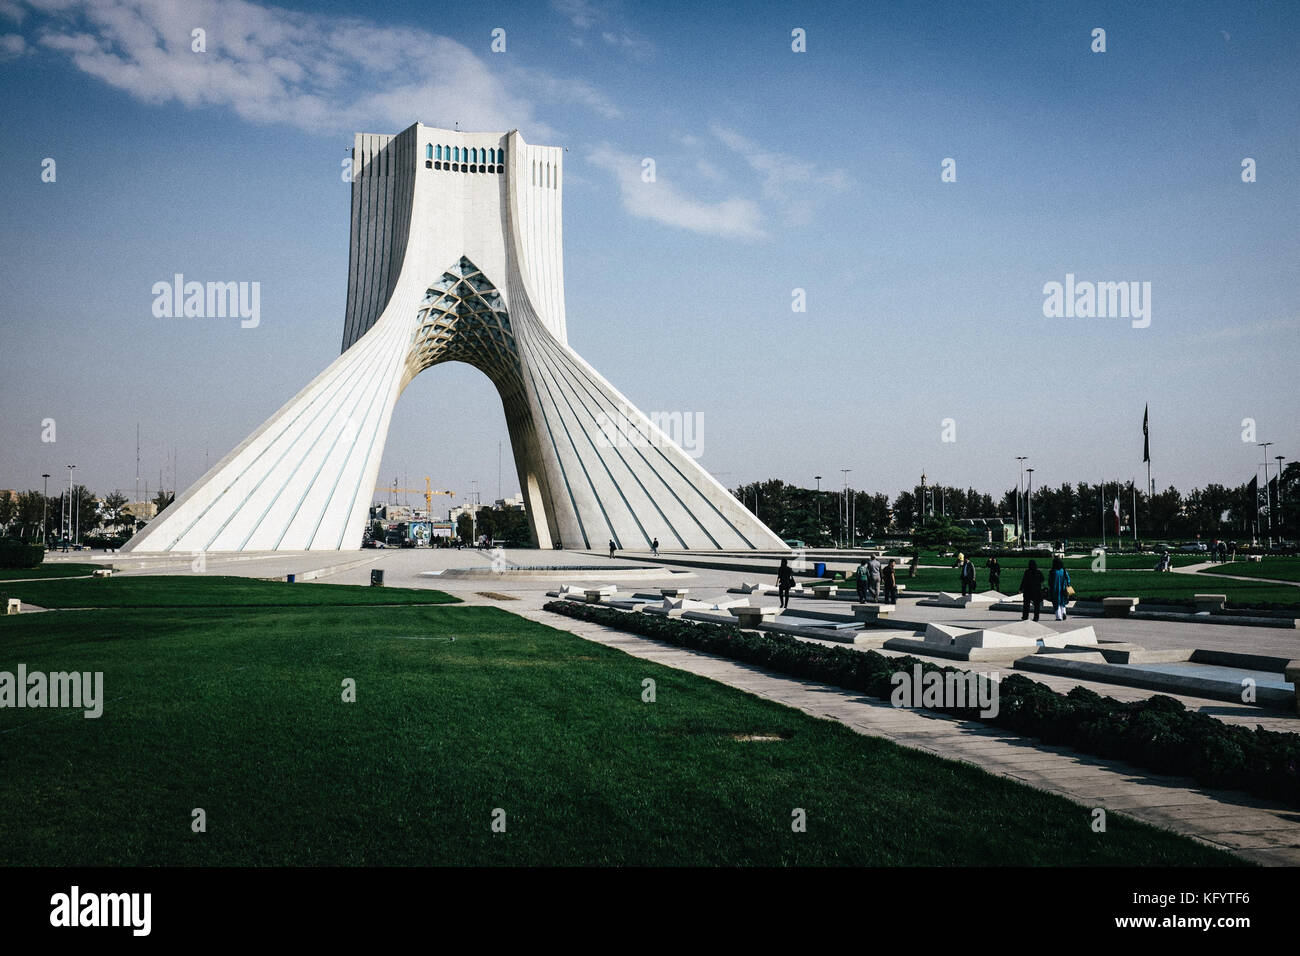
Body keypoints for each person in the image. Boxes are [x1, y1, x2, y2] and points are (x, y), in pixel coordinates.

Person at [1047, 555, 1071, 621]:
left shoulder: (1052, 571)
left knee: (1056, 602)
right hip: (1063, 589)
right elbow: (1068, 579)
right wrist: (1068, 585)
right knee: (1062, 602)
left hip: (1055, 589)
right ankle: (1064, 612)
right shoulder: (1063, 570)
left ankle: (1059, 616)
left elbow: (1050, 581)